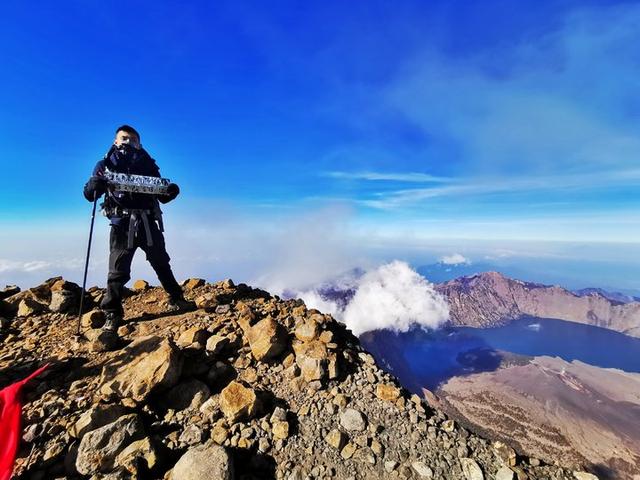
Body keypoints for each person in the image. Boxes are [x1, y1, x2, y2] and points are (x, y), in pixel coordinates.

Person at [83, 125, 192, 332]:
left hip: (148, 222)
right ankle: (112, 313)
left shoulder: (148, 164)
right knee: (117, 270)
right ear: (115, 141)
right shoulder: (104, 164)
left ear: (139, 143)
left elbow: (161, 194)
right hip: (121, 224)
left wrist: (171, 191)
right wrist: (94, 185)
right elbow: (90, 194)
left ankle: (176, 298)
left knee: (161, 262)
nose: (128, 142)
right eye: (124, 138)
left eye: (132, 140)